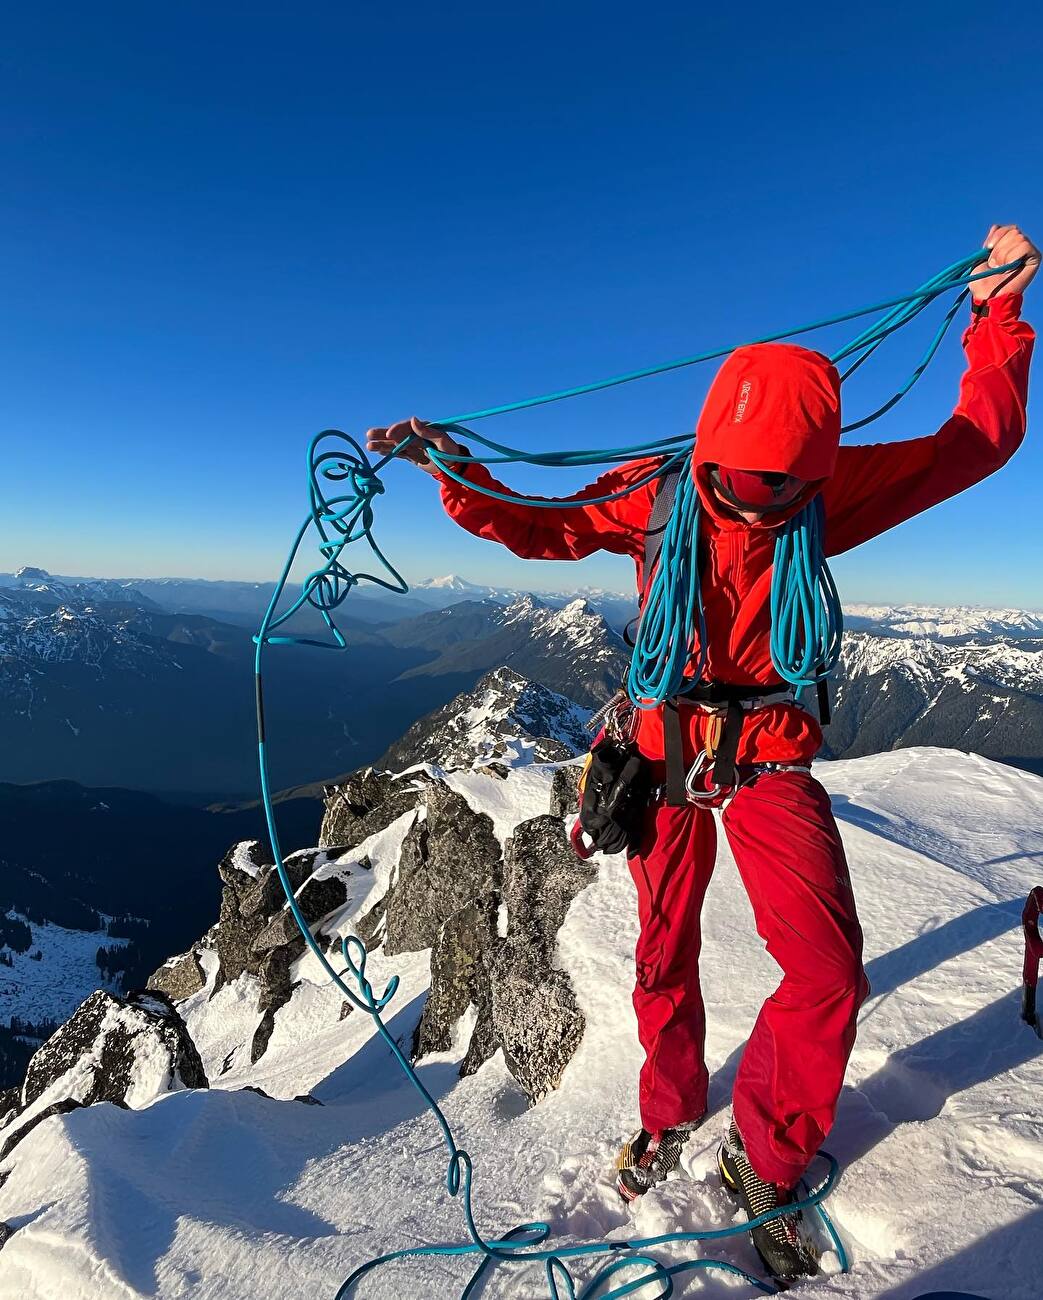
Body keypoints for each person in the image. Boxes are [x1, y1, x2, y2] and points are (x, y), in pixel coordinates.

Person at [366, 224, 1038, 1283]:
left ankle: (767, 1162)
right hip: (661, 744)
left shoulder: (820, 494)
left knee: (823, 968)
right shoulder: (663, 490)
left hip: (766, 756)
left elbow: (976, 440)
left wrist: (995, 309)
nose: (761, 504)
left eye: (783, 490)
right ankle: (667, 1114)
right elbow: (537, 521)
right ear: (710, 451)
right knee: (659, 952)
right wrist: (447, 465)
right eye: (744, 483)